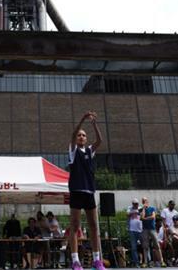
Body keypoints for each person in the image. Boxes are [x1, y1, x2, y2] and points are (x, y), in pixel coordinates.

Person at [67, 111, 105, 270]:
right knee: (75, 226)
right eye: (79, 135)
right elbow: (74, 133)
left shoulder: (89, 151)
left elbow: (100, 140)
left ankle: (97, 260)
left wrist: (94, 124)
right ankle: (75, 261)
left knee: (94, 226)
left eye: (84, 135)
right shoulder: (73, 151)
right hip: (76, 190)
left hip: (89, 191)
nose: (81, 136)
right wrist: (82, 119)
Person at [141, 198, 164, 268]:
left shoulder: (152, 208)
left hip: (152, 229)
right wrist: (144, 209)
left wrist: (145, 218)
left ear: (148, 201)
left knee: (157, 245)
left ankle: (162, 261)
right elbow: (142, 217)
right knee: (145, 246)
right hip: (145, 229)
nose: (145, 202)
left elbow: (153, 217)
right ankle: (145, 262)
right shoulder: (141, 209)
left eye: (146, 201)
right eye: (143, 201)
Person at [127, 199, 143, 268]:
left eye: (137, 203)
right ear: (132, 204)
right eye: (135, 204)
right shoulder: (129, 208)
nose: (136, 205)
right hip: (132, 230)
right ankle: (136, 263)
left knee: (144, 246)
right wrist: (136, 211)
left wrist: (139, 211)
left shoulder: (140, 208)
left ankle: (146, 262)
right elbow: (127, 214)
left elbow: (142, 215)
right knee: (134, 248)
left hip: (140, 230)